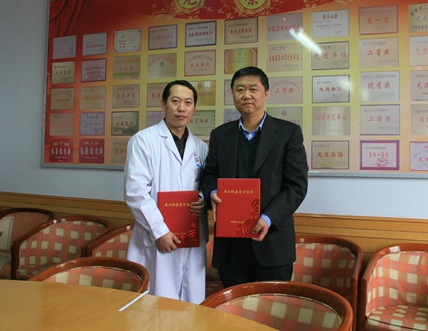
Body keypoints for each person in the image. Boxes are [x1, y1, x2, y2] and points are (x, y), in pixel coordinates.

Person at [201, 66, 308, 288]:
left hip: (272, 240)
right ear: (233, 94)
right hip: (231, 244)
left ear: (266, 93)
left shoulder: (288, 133)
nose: (246, 95)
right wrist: (212, 193)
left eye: (253, 89)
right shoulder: (220, 135)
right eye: (240, 89)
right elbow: (209, 174)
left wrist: (268, 218)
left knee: (272, 305)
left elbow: (296, 186)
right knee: (233, 306)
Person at [124, 80, 208, 304]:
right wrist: (158, 231)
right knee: (156, 306)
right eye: (175, 101)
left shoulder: (201, 147)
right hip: (156, 237)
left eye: (188, 103)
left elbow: (203, 185)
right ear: (163, 104)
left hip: (190, 236)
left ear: (194, 108)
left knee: (190, 305)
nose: (182, 108)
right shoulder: (143, 141)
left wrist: (203, 199)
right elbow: (136, 193)